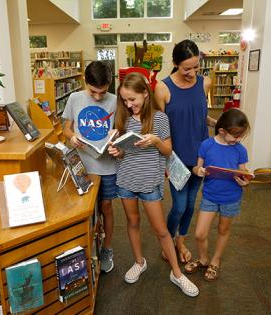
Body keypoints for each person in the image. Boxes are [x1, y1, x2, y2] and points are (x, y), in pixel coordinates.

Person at [108, 72, 199, 297]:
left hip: (150, 181)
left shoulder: (159, 119)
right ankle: (139, 262)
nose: (129, 105)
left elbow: (168, 151)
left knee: (160, 230)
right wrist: (115, 151)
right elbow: (120, 154)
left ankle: (177, 273)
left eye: (133, 99)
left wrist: (156, 140)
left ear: (145, 95)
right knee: (132, 222)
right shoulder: (121, 118)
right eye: (124, 100)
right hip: (126, 180)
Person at [154, 39, 216, 263]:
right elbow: (159, 127)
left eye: (195, 67)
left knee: (191, 204)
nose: (191, 73)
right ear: (175, 63)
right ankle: (168, 241)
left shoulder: (205, 83)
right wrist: (163, 162)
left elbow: (200, 116)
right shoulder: (162, 88)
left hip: (200, 156)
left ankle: (181, 240)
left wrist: (219, 124)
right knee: (179, 205)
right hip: (176, 159)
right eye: (186, 68)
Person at [62, 61, 117, 273]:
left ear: (109, 85)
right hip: (83, 162)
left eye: (102, 92)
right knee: (88, 209)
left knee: (107, 207)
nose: (97, 97)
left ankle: (107, 248)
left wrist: (116, 133)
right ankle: (90, 246)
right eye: (93, 92)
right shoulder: (75, 98)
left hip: (107, 163)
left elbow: (118, 127)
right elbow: (66, 128)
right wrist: (73, 137)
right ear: (85, 82)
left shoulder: (114, 101)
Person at [184, 109, 250, 281]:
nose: (238, 139)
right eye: (236, 136)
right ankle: (204, 258)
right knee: (200, 233)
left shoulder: (240, 150)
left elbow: (243, 172)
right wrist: (199, 171)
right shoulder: (207, 145)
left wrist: (245, 179)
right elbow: (196, 167)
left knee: (223, 229)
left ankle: (215, 260)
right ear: (222, 131)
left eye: (241, 136)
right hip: (210, 195)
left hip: (231, 197)